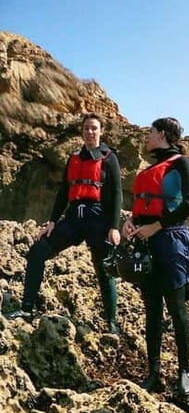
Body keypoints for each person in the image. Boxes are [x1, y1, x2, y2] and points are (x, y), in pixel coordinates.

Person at [5, 113, 121, 331]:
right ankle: (27, 308)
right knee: (38, 251)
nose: (90, 132)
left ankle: (111, 322)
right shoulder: (74, 157)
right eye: (86, 128)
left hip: (97, 218)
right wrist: (51, 221)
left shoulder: (109, 157)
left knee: (103, 268)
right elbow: (63, 192)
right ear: (82, 131)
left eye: (94, 128)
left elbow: (116, 193)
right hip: (73, 217)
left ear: (101, 131)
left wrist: (114, 227)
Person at [122, 117, 189, 397]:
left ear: (163, 134)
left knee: (177, 309)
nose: (147, 136)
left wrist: (156, 226)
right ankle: (153, 371)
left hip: (171, 240)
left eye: (151, 132)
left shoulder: (181, 163)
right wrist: (130, 221)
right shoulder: (150, 168)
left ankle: (184, 372)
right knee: (151, 309)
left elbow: (188, 203)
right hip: (146, 242)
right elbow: (142, 205)